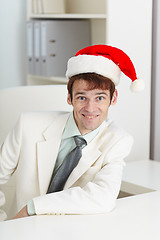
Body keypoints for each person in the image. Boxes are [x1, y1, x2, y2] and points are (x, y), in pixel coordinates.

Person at [0, 44, 144, 219]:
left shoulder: (118, 141)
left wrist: (33, 207)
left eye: (100, 98)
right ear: (69, 98)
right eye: (82, 97)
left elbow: (103, 197)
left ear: (113, 99)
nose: (90, 108)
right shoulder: (27, 125)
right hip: (20, 228)